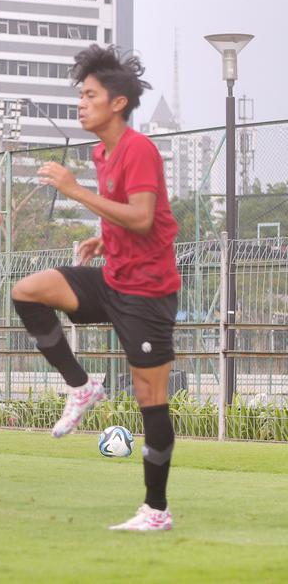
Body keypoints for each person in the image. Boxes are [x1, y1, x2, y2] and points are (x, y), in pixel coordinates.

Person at [12, 44, 178, 531]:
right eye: (81, 95)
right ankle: (81, 386)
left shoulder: (139, 149)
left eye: (90, 95)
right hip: (113, 279)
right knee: (28, 291)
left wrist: (76, 191)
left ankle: (156, 510)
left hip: (147, 293)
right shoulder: (101, 152)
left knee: (150, 398)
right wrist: (103, 239)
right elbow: (129, 216)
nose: (81, 104)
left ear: (118, 103)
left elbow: (144, 218)